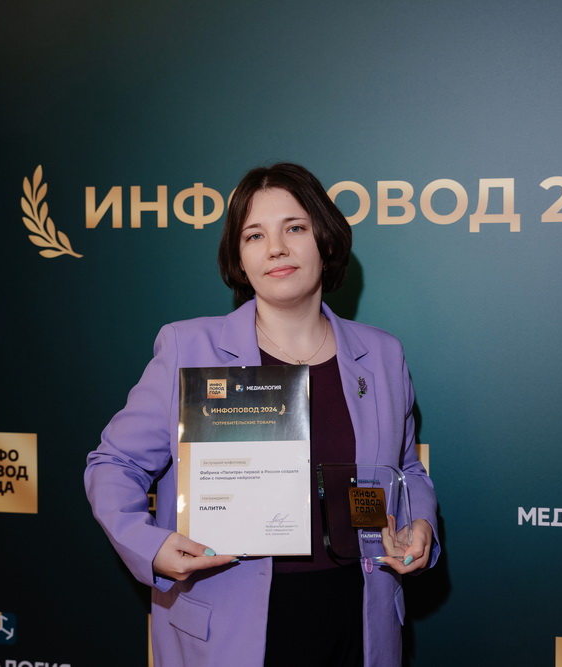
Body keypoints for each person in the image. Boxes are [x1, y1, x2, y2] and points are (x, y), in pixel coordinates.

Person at [84, 162, 439, 666]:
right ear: (240, 259)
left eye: (294, 228)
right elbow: (114, 464)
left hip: (360, 617)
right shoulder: (190, 348)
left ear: (326, 242)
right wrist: (149, 545)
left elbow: (406, 470)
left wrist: (419, 522)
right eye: (254, 235)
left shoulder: (382, 354)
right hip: (229, 625)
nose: (275, 248)